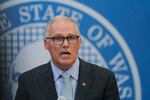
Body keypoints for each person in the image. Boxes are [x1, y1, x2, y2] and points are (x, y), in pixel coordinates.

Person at [15, 15, 120, 100]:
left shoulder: (104, 79)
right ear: (46, 44)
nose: (65, 44)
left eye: (71, 38)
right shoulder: (28, 81)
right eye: (58, 38)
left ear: (79, 43)